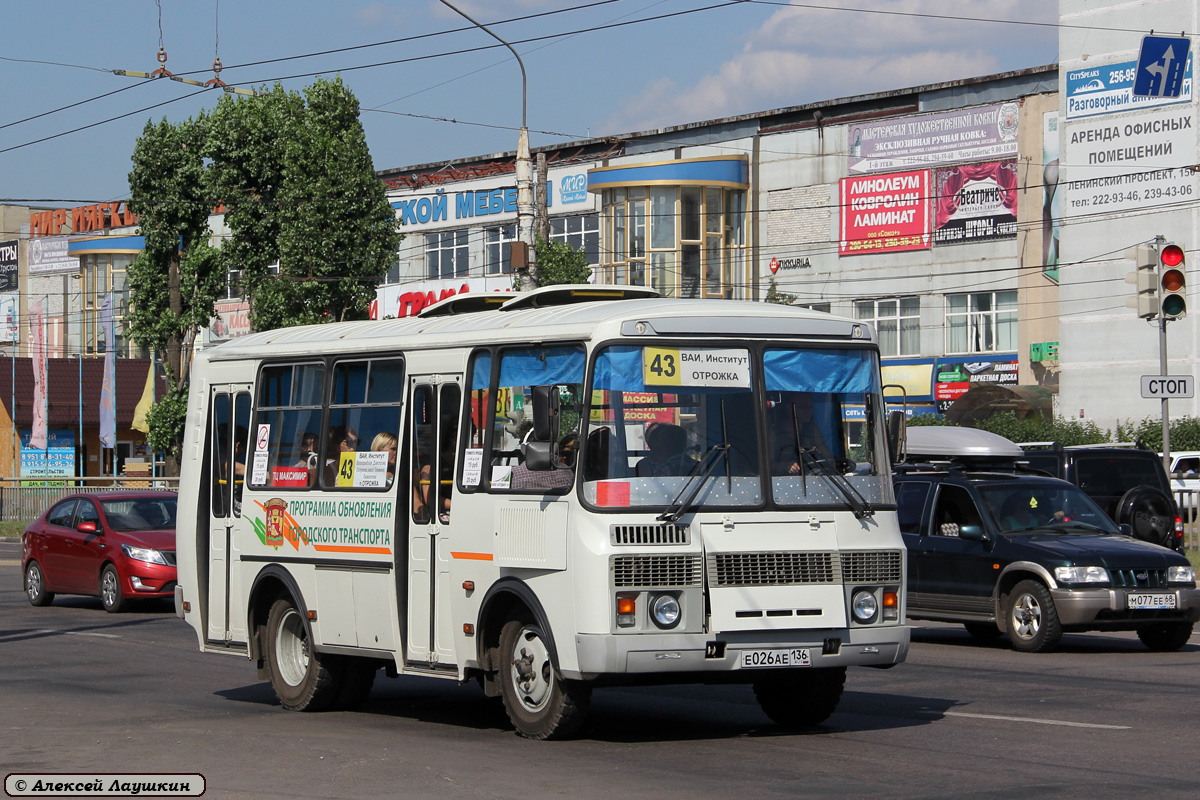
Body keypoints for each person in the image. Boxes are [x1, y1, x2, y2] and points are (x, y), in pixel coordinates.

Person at [769, 393, 836, 475]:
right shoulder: (774, 433)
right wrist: (786, 465)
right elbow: (767, 464)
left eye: (810, 406)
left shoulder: (812, 430)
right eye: (803, 407)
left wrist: (835, 462)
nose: (809, 411)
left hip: (810, 479)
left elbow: (827, 456)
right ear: (789, 408)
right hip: (780, 483)